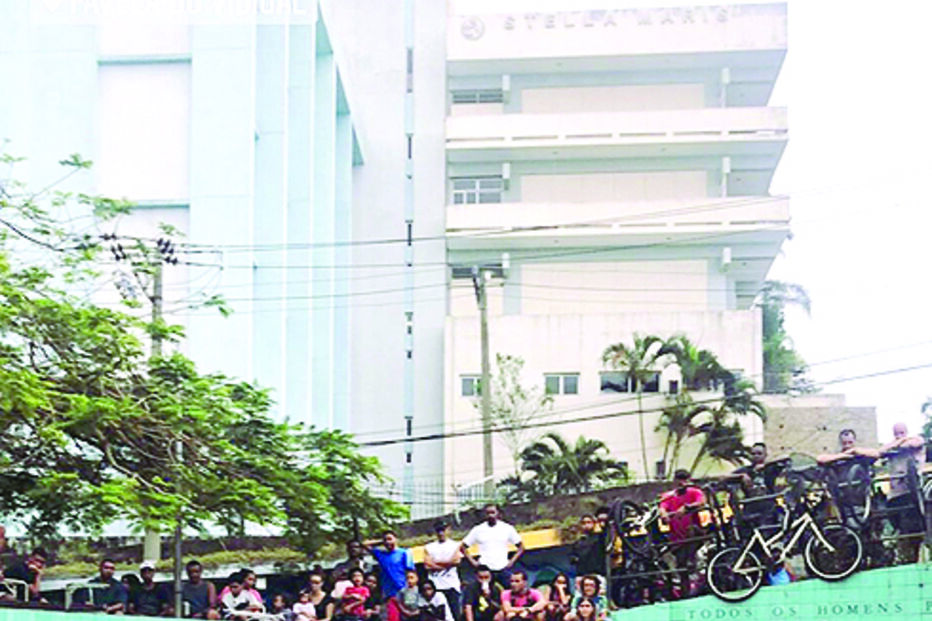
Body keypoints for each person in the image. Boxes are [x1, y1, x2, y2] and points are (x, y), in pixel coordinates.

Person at [658, 470, 706, 599]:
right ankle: (685, 594)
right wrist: (663, 513)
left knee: (691, 559)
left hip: (693, 534)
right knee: (681, 566)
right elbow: (663, 506)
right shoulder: (669, 496)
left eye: (684, 479)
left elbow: (701, 501)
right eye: (678, 479)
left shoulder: (694, 491)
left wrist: (688, 507)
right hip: (677, 538)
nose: (681, 482)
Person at [461, 505, 524, 586]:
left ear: (498, 513)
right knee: (486, 594)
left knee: (511, 592)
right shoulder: (478, 529)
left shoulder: (507, 528)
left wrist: (511, 561)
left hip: (503, 567)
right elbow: (463, 547)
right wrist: (473, 562)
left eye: (493, 512)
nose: (490, 515)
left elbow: (521, 547)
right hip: (486, 570)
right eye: (488, 513)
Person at [365, 531, 415, 621]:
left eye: (390, 539)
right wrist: (381, 541)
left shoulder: (404, 553)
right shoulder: (381, 554)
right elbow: (365, 544)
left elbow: (410, 572)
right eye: (385, 540)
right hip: (388, 593)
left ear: (396, 539)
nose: (388, 542)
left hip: (404, 590)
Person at [424, 519, 462, 620]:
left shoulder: (455, 545)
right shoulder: (429, 547)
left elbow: (456, 561)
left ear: (448, 530)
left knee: (455, 615)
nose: (441, 533)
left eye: (443, 530)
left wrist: (436, 563)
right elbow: (427, 565)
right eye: (438, 530)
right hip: (436, 586)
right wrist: (447, 564)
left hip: (451, 586)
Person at [569, 515, 603, 588]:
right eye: (583, 523)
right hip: (582, 575)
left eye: (588, 522)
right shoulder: (579, 542)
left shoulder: (600, 538)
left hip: (597, 573)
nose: (586, 525)